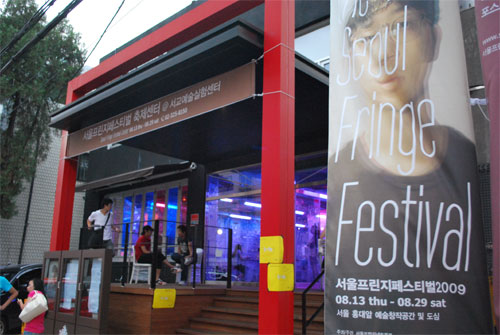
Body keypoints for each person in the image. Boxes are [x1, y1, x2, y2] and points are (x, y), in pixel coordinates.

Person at [327, 0, 492, 333]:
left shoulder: (466, 162)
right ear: (350, 58)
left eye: (400, 26)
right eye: (365, 38)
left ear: (433, 39)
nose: (383, 54)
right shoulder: (339, 174)